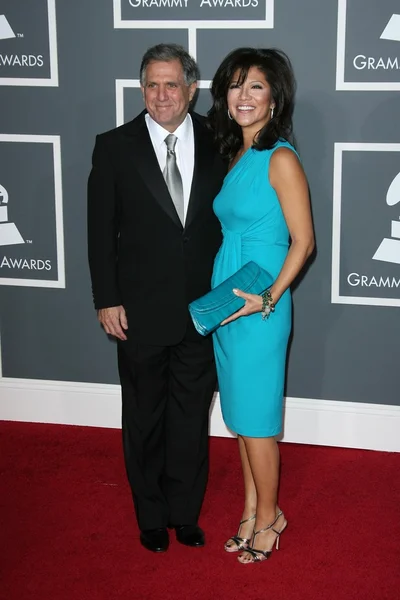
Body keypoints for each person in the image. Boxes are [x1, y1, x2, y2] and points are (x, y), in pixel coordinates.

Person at [87, 44, 226, 553]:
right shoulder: (114, 145)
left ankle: (184, 513)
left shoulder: (220, 138)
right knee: (144, 415)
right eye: (152, 84)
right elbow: (100, 232)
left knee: (190, 414)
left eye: (172, 84)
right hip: (139, 309)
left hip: (204, 307)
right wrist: (107, 297)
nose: (162, 95)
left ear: (192, 89)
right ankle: (150, 514)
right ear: (140, 88)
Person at [207, 47, 314, 564]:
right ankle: (251, 510)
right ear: (224, 98)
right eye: (235, 85)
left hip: (261, 305)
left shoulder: (281, 158)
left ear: (274, 98)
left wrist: (269, 297)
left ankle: (271, 519)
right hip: (229, 300)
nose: (244, 96)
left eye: (255, 86)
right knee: (242, 417)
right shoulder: (237, 156)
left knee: (258, 420)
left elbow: (304, 241)